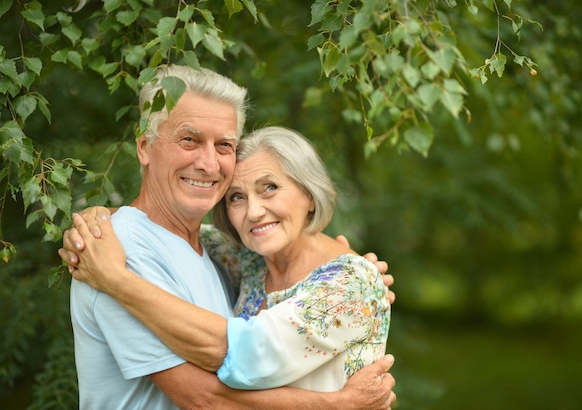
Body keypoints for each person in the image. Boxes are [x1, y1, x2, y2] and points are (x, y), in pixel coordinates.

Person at [60, 64, 396, 410]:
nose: (208, 163)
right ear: (144, 147)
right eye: (189, 140)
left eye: (224, 145)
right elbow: (205, 400)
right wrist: (341, 406)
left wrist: (359, 275)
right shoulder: (115, 251)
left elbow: (323, 278)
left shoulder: (221, 252)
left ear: (309, 193)